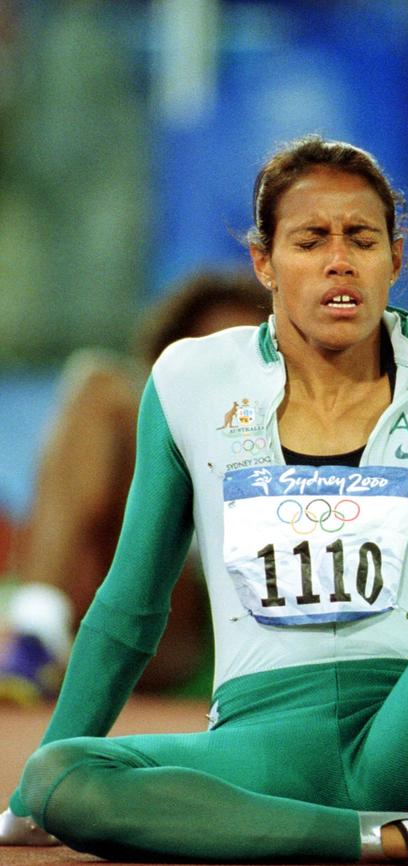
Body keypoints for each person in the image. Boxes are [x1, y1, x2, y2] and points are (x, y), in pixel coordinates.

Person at [1, 135, 408, 864]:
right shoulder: (187, 380)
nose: (339, 259)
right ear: (265, 263)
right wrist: (32, 800)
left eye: (362, 238)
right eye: (311, 240)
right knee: (61, 775)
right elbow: (131, 605)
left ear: (396, 259)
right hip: (261, 744)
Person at [0, 272, 271, 700]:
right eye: (207, 355)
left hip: (199, 633)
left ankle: (39, 639)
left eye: (243, 353)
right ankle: (36, 633)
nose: (226, 373)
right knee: (96, 381)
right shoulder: (138, 421)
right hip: (99, 600)